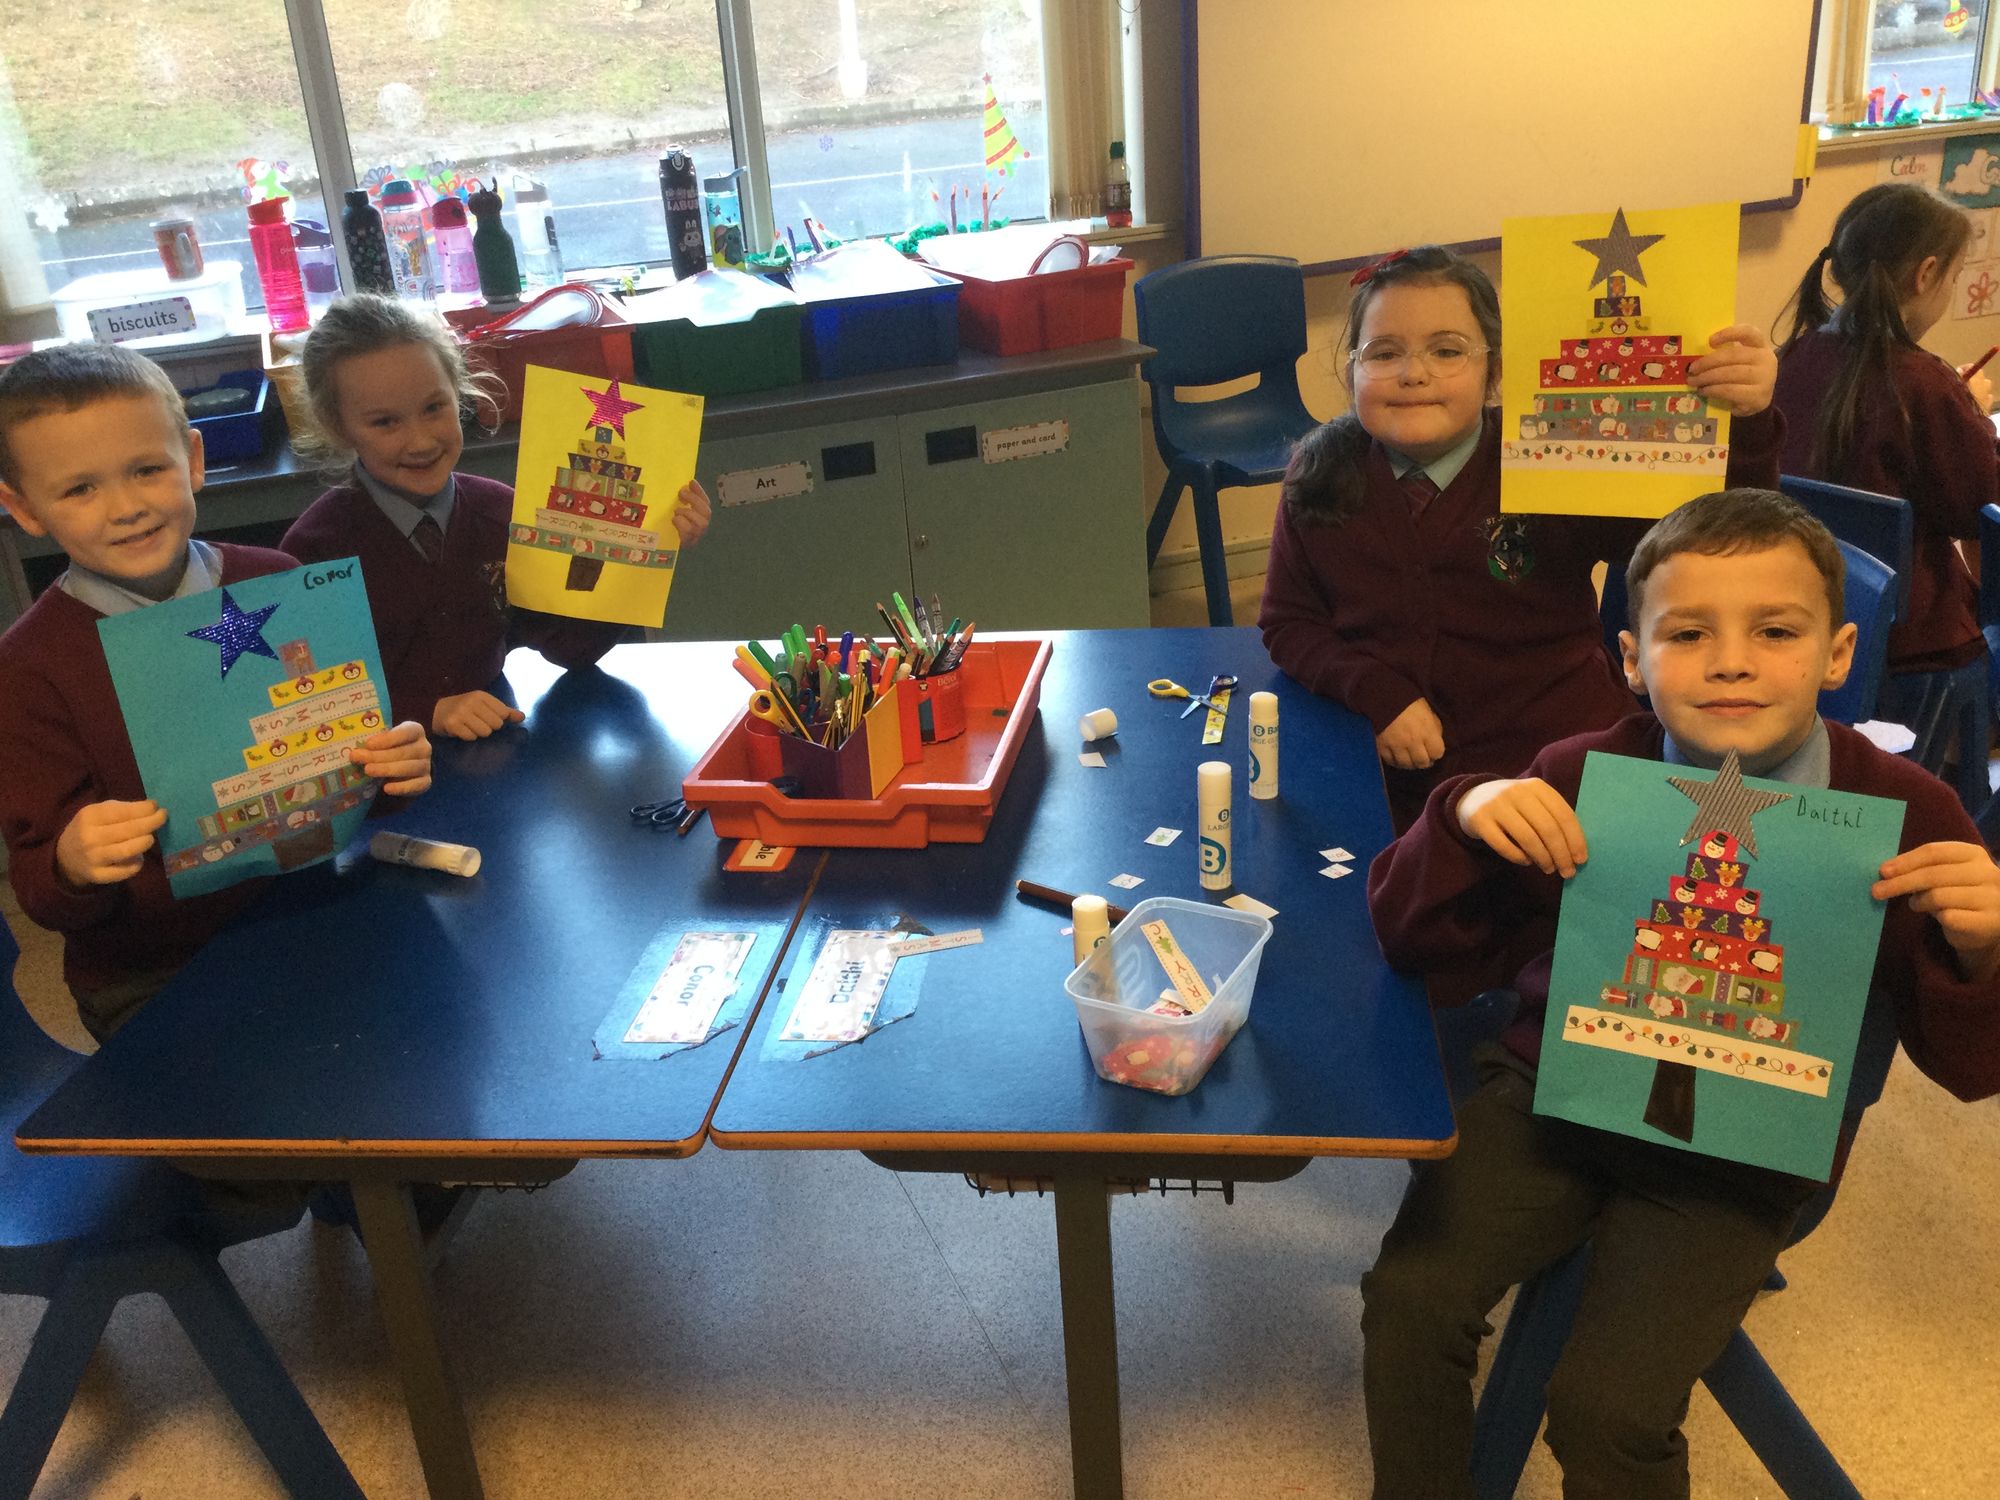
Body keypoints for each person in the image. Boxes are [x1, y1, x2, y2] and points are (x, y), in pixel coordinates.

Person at [1362, 488, 2000, 1498]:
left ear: (1837, 654)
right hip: (1552, 1095)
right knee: (1409, 1299)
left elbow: (1969, 1067)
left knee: (1608, 1411)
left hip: (1746, 1145)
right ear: (1630, 659)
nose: (1730, 662)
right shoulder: (1581, 772)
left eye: (1774, 631)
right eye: (1688, 633)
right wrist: (1463, 814)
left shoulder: (1907, 811)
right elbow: (1409, 938)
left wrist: (1981, 950)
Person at [1259, 245, 1784, 831]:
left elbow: (1711, 543)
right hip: (1395, 770)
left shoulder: (1553, 451)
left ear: (1494, 369)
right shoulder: (1322, 473)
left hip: (1558, 765)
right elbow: (1289, 623)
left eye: (1447, 350)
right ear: (1352, 368)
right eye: (1383, 353)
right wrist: (1377, 694)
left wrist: (1746, 423)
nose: (1413, 374)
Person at [0, 343, 433, 1041]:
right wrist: (71, 863)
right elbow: (40, 891)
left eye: (147, 469)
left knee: (439, 1040)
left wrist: (393, 766)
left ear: (193, 461)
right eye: (80, 489)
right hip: (156, 971)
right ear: (23, 508)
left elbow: (348, 776)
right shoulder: (27, 667)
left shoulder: (279, 581)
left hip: (317, 912)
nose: (126, 508)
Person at [283, 293, 714, 740]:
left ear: (458, 393)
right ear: (338, 426)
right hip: (380, 768)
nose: (420, 441)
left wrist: (645, 549)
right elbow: (301, 703)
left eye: (434, 408)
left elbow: (572, 646)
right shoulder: (313, 550)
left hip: (493, 749)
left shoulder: (501, 515)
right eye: (385, 423)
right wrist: (426, 711)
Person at [1773, 181, 1993, 679]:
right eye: (1955, 276)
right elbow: (1978, 508)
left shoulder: (1796, 355)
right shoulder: (1924, 382)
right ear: (1926, 274)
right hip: (1912, 635)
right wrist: (1974, 413)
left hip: (1807, 608)